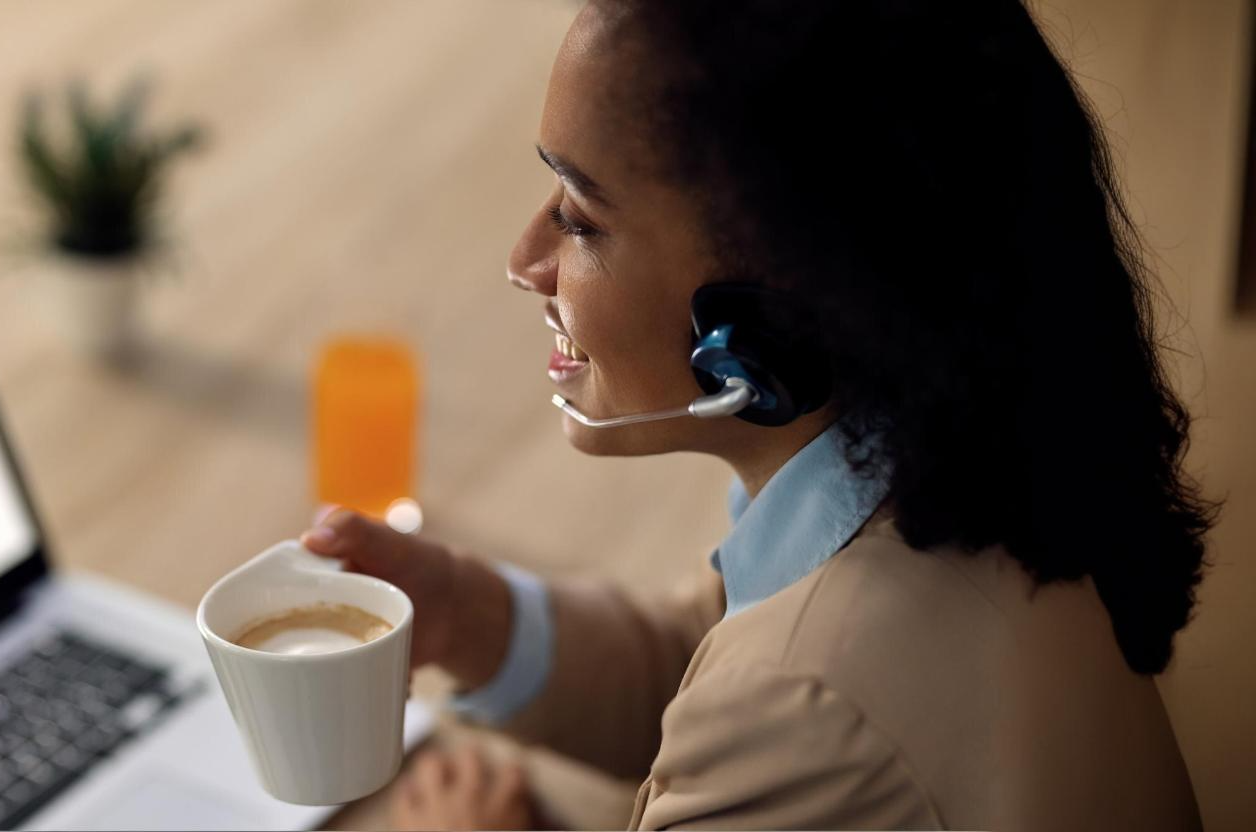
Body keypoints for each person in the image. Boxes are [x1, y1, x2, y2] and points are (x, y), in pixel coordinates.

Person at [299, 0, 1217, 828]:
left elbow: (762, 704)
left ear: (774, 311)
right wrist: (465, 612)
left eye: (579, 217)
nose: (523, 259)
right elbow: (702, 666)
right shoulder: (931, 459)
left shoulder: (804, 706)